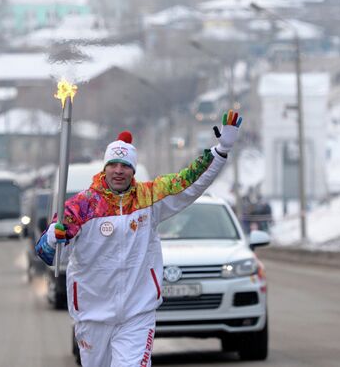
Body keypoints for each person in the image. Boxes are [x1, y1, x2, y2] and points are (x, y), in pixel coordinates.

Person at [36, 110, 242, 367]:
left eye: (125, 166)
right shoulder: (81, 206)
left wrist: (221, 150)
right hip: (93, 315)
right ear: (105, 167)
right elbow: (47, 255)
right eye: (113, 164)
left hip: (137, 313)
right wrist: (54, 241)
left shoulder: (149, 198)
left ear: (133, 170)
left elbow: (190, 181)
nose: (119, 171)